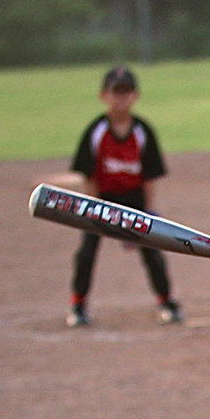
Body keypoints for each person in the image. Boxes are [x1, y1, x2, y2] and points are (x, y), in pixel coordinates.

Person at [65, 65, 180, 327]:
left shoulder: (142, 131)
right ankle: (78, 304)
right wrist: (94, 209)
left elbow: (150, 175)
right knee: (87, 251)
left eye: (126, 92)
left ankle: (167, 301)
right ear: (104, 96)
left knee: (153, 249)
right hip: (102, 200)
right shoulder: (96, 131)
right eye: (116, 92)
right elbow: (89, 175)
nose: (121, 98)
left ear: (135, 96)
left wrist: (148, 213)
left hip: (134, 199)